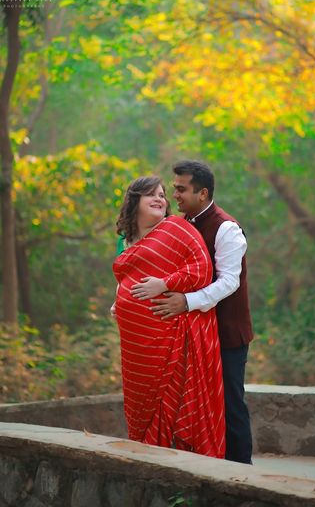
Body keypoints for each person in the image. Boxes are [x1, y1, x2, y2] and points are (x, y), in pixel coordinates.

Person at [147, 160, 254, 464]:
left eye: (181, 189)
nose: (174, 195)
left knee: (230, 404)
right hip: (192, 337)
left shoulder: (227, 229)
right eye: (174, 188)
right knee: (197, 405)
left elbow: (229, 282)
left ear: (203, 193)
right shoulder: (180, 224)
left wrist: (187, 301)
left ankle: (242, 475)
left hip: (227, 334)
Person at [111, 176, 225, 458]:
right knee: (139, 404)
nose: (161, 199)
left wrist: (164, 284)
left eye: (163, 195)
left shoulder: (176, 228)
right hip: (138, 347)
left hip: (171, 339)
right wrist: (118, 300)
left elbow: (202, 270)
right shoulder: (125, 242)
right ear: (135, 200)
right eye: (152, 194)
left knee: (171, 404)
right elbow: (126, 276)